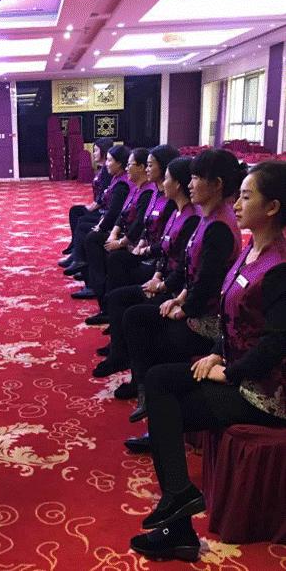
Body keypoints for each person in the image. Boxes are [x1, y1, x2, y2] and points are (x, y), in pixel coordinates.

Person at [129, 161, 286, 562]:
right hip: (236, 369)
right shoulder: (251, 250)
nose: (237, 204)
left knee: (168, 409)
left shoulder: (279, 267)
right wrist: (217, 350)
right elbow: (231, 314)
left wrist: (227, 371)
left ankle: (177, 522)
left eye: (246, 197)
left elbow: (276, 345)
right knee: (160, 381)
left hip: (264, 393)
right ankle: (179, 499)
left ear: (272, 207)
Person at [123, 149, 243, 423]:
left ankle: (152, 397)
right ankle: (144, 390)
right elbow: (194, 270)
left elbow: (209, 283)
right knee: (137, 315)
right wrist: (179, 298)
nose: (190, 184)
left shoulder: (219, 226)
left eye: (196, 177)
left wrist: (183, 309)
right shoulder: (209, 217)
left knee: (146, 326)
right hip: (195, 304)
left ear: (217, 184)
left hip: (209, 320)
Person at [93, 157, 200, 382]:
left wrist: (162, 285)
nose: (161, 182)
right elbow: (163, 246)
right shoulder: (174, 208)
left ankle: (129, 365)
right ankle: (118, 348)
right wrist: (157, 275)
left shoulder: (192, 217)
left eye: (153, 166)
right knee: (117, 288)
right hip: (162, 274)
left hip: (174, 285)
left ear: (176, 183)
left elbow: (185, 263)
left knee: (125, 296)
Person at [83, 144, 180, 323]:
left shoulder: (169, 200)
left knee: (114, 256)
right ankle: (106, 302)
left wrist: (135, 246)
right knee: (103, 246)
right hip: (144, 248)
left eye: (150, 165)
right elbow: (138, 221)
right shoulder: (155, 192)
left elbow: (167, 241)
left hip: (156, 259)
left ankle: (109, 305)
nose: (128, 168)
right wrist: (130, 240)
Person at [72, 148, 153, 300]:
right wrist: (114, 233)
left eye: (129, 165)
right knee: (90, 232)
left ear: (141, 167)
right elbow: (122, 213)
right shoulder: (136, 187)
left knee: (94, 239)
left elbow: (140, 223)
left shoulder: (147, 191)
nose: (127, 169)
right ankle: (88, 273)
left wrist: (122, 241)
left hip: (136, 242)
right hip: (124, 233)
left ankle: (97, 286)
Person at [61, 144, 133, 276]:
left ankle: (82, 262)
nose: (107, 164)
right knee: (79, 217)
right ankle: (77, 255)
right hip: (107, 215)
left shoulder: (122, 183)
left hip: (114, 222)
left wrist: (102, 226)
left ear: (119, 163)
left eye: (110, 160)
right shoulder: (115, 176)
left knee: (85, 226)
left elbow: (114, 212)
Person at [61, 137, 113, 256]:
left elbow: (105, 194)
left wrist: (93, 206)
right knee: (75, 211)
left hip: (103, 210)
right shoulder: (103, 169)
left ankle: (77, 250)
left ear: (104, 151)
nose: (93, 153)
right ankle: (75, 244)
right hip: (99, 206)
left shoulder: (107, 171)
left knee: (79, 215)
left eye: (96, 150)